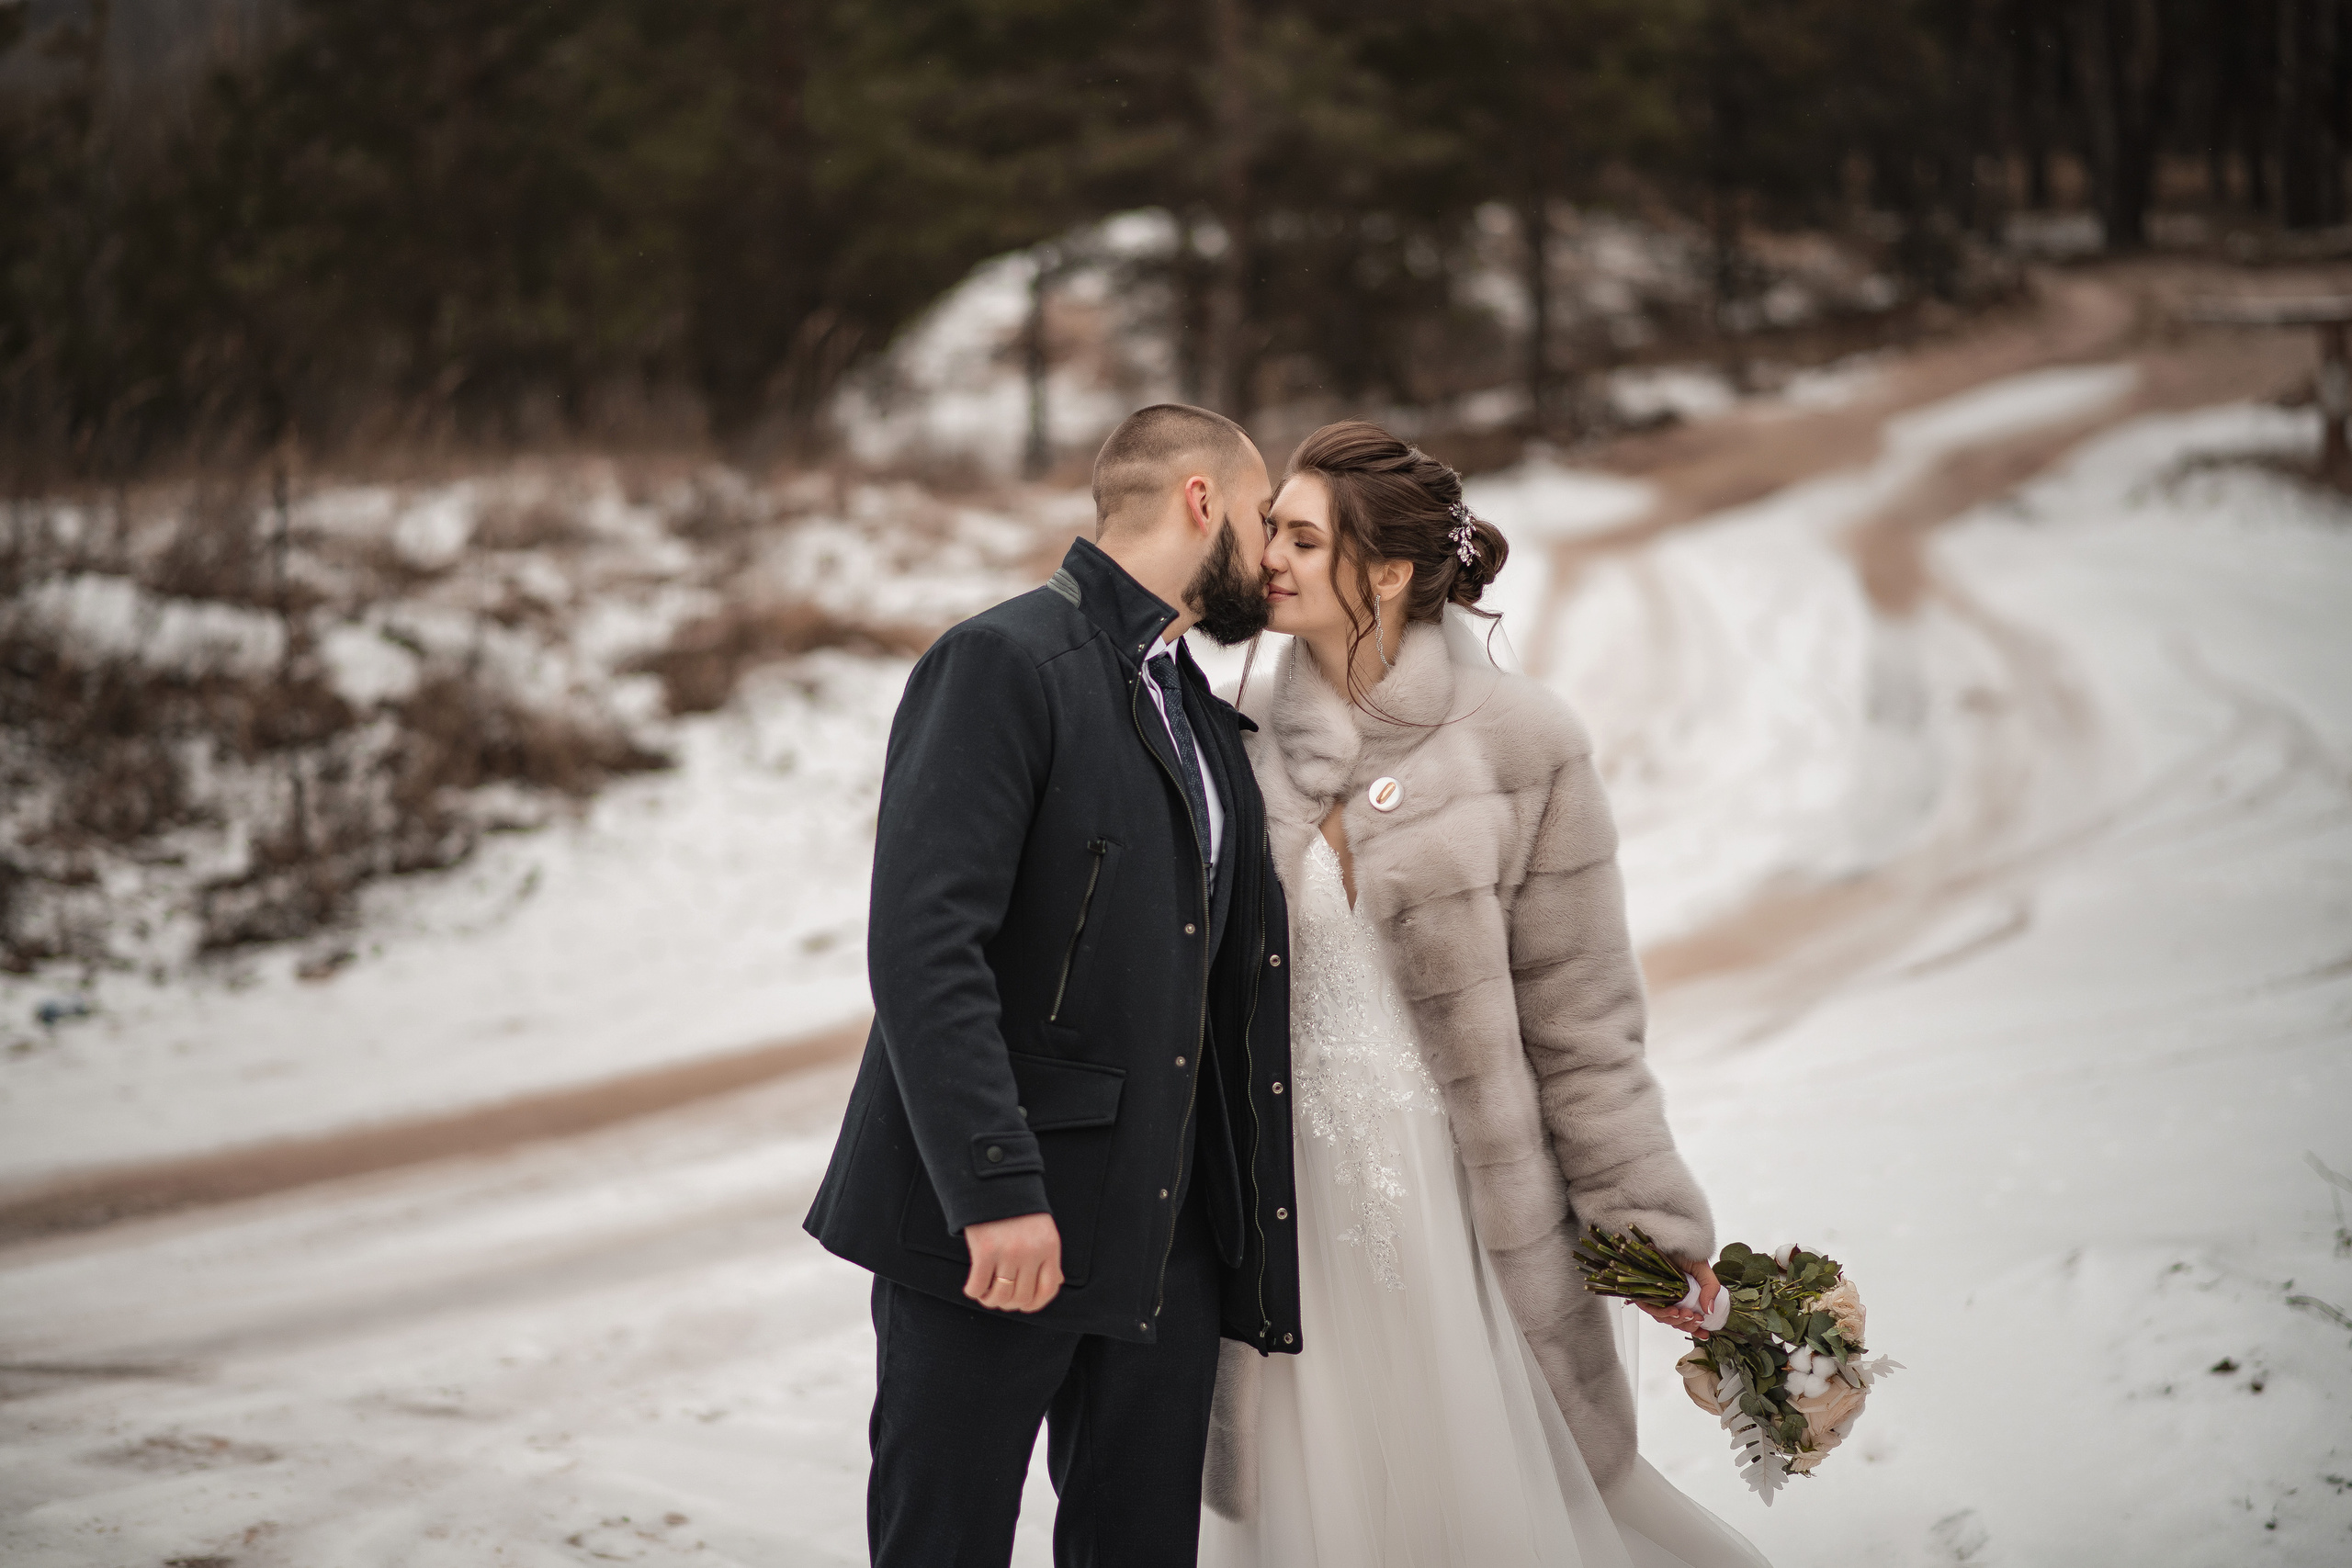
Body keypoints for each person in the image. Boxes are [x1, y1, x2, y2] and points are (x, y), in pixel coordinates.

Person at [1198, 421, 1768, 1568]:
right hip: (1283, 1204)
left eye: (1302, 540)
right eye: (1272, 533)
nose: (1270, 559)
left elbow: (1582, 1022)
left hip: (1456, 1190)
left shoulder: (1521, 744)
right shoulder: (1231, 740)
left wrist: (1646, 1223)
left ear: (1387, 573)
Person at [804, 403, 1302, 1568]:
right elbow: (926, 949)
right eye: (1261, 515)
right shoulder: (1003, 661)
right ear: (1199, 502)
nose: (1272, 550)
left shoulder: (1198, 709)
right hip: (999, 1228)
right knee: (945, 1542)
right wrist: (994, 1188)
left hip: (1164, 1235)